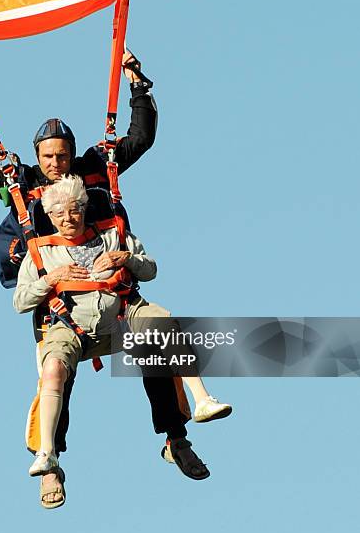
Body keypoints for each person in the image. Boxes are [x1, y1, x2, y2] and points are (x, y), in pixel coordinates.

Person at [0, 52, 231, 486]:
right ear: (37, 157)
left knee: (158, 342)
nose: (55, 165)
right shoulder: (22, 184)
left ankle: (176, 438)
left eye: (61, 156)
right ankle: (49, 463)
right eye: (47, 157)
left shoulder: (97, 169)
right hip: (62, 305)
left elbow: (139, 138)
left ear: (73, 155)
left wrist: (137, 84)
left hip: (115, 295)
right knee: (57, 373)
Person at [14, 176, 214, 508]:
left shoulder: (113, 234)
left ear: (85, 208)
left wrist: (124, 259)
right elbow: (20, 301)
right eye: (60, 212)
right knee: (52, 373)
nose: (69, 218)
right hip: (71, 327)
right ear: (49, 215)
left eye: (75, 209)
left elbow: (149, 269)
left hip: (120, 316)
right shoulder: (40, 253)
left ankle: (196, 408)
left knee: (163, 328)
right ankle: (48, 457)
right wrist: (50, 280)